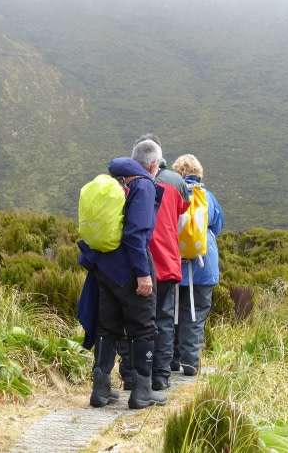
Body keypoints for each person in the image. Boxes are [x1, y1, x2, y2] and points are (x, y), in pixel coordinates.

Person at [77, 139, 167, 410]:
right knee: (143, 327)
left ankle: (101, 390)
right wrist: (143, 274)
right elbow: (136, 233)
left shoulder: (113, 179)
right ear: (153, 165)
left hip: (103, 266)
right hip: (130, 267)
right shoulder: (143, 184)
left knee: (107, 326)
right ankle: (141, 392)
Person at [118, 134, 190, 391]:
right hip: (166, 261)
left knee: (131, 320)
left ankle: (130, 375)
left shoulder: (126, 183)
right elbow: (182, 219)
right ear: (156, 160)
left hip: (133, 263)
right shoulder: (175, 182)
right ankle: (160, 376)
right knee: (163, 320)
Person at [170, 154, 224, 376]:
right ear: (198, 174)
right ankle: (190, 364)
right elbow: (217, 226)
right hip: (202, 267)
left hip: (172, 266)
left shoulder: (171, 195)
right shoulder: (207, 197)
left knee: (170, 314)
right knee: (195, 314)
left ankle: (169, 360)